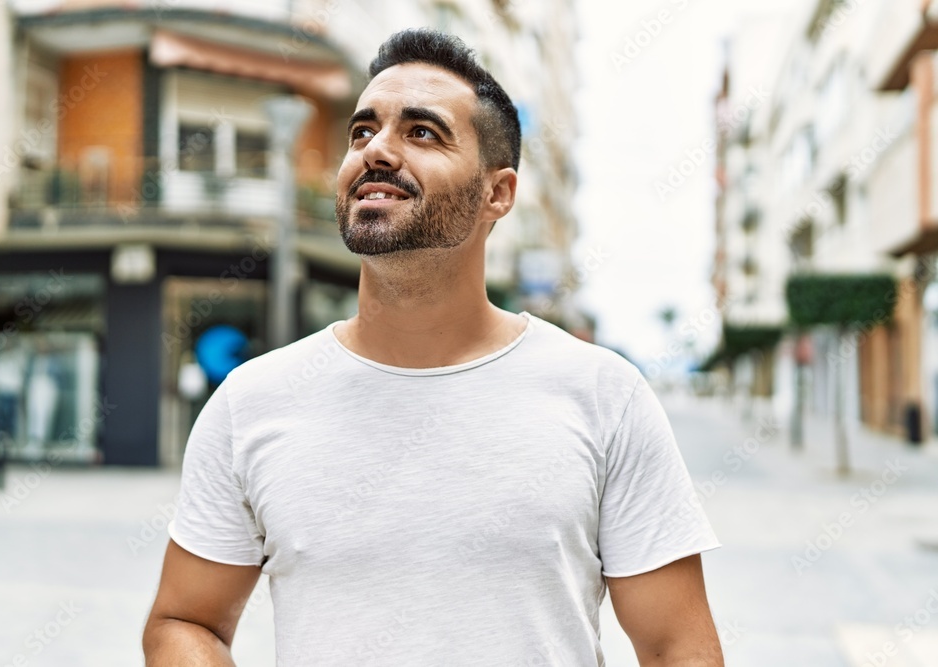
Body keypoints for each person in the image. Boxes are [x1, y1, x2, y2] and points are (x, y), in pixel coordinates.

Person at [143, 28, 724, 666]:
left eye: (421, 132)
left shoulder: (602, 395)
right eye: (362, 132)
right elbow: (184, 621)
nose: (377, 151)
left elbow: (678, 648)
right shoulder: (252, 402)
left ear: (496, 193)